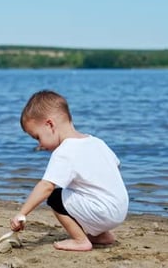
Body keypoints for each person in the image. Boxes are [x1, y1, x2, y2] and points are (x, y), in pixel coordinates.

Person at [10, 90, 129, 251]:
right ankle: (101, 235)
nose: (39, 145)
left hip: (102, 212)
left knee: (55, 197)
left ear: (50, 125)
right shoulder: (96, 142)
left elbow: (46, 187)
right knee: (79, 192)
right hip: (120, 210)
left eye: (37, 137)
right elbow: (116, 166)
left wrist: (22, 213)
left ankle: (80, 240)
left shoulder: (64, 151)